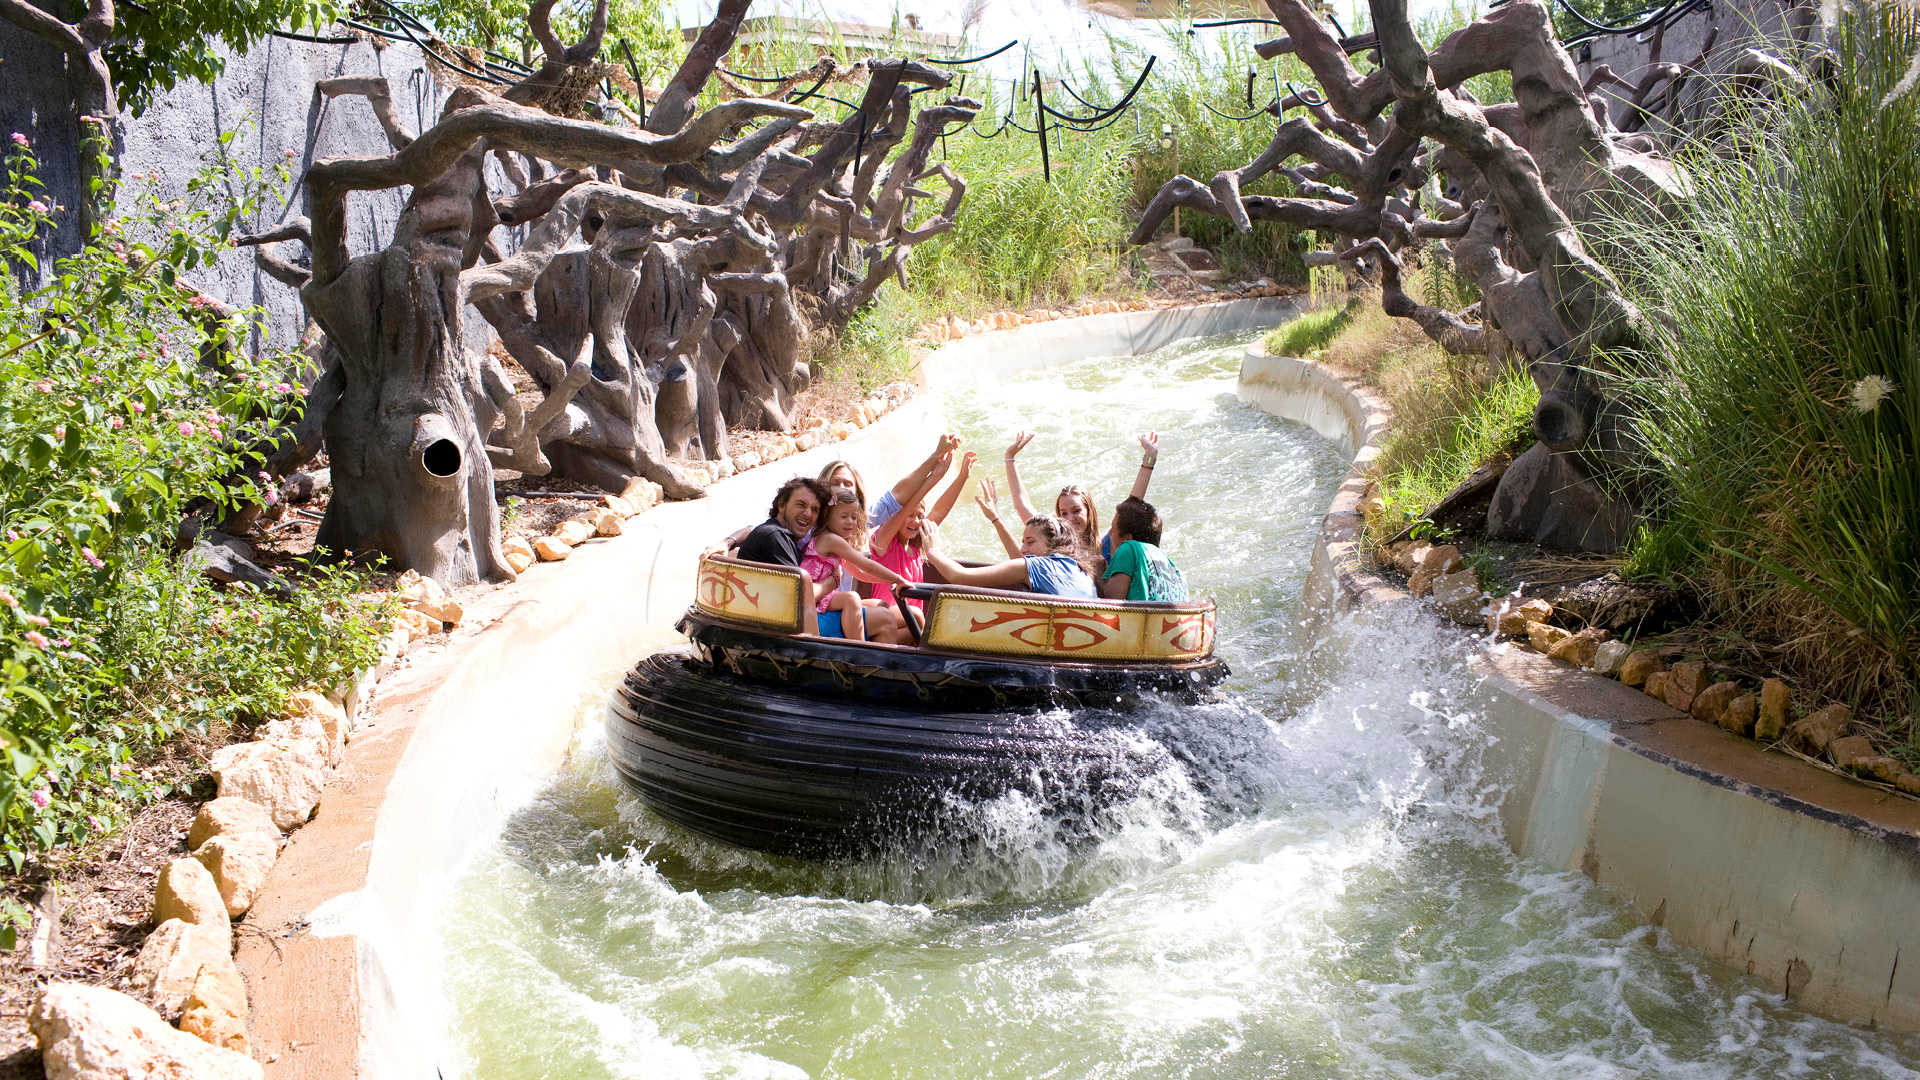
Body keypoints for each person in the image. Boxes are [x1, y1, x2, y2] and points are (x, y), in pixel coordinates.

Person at [1003, 430, 1161, 567]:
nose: (1070, 518)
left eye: (1076, 510)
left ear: (1089, 512)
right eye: (1063, 513)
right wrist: (1009, 457)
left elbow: (1132, 503)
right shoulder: (1053, 539)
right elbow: (1022, 505)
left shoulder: (1107, 544)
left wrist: (1150, 457)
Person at [721, 476, 829, 636]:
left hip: (769, 625)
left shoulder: (773, 532)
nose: (808, 514)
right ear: (782, 505)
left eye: (815, 510)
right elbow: (801, 597)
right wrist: (831, 583)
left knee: (872, 607)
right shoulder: (776, 536)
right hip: (776, 634)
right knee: (878, 617)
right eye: (801, 505)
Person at [801, 491, 913, 643]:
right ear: (827, 518)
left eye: (854, 517)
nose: (851, 522)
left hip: (819, 598)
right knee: (851, 598)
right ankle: (858, 646)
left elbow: (860, 571)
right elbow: (867, 565)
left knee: (879, 604)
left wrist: (892, 582)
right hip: (812, 600)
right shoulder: (831, 540)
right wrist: (898, 578)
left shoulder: (833, 542)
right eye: (844, 516)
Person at [920, 514, 1097, 599]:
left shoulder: (1035, 566)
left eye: (1030, 542)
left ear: (1052, 543)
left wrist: (933, 551)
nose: (1022, 548)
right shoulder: (1080, 569)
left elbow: (960, 577)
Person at [1100, 497, 1188, 603]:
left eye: (1112, 528)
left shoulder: (1128, 548)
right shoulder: (1175, 570)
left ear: (1127, 538)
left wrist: (1097, 574)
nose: (1109, 533)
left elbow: (1108, 606)